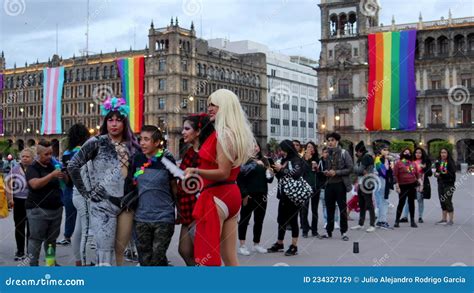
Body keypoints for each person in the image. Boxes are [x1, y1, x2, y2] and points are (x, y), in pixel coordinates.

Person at [184, 89, 255, 266]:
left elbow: (222, 172)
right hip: (231, 196)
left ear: (225, 107)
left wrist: (195, 171)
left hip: (216, 196)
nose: (209, 108)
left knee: (206, 256)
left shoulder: (223, 134)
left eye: (214, 104)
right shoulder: (236, 134)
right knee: (230, 257)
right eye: (209, 104)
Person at [68, 97, 141, 266]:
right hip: (102, 205)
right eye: (110, 120)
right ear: (105, 122)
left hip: (127, 205)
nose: (114, 124)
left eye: (118, 120)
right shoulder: (96, 143)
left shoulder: (133, 145)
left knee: (120, 251)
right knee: (104, 253)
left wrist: (136, 192)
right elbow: (73, 165)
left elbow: (140, 171)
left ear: (124, 122)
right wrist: (87, 192)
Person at [132, 125, 177, 266]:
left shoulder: (167, 160)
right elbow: (132, 184)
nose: (142, 143)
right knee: (144, 261)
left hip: (164, 218)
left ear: (157, 142)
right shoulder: (137, 160)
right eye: (141, 139)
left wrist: (179, 211)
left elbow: (175, 188)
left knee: (157, 259)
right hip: (141, 218)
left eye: (146, 139)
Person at [176, 114, 214, 266]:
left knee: (202, 254)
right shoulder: (189, 153)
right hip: (186, 209)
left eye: (187, 129)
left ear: (198, 132)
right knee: (184, 250)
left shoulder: (207, 153)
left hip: (201, 211)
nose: (183, 132)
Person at [26, 140, 68, 266]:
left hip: (56, 208)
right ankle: (33, 265)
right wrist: (52, 175)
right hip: (37, 209)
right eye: (46, 154)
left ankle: (50, 263)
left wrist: (64, 176)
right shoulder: (33, 168)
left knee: (51, 240)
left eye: (51, 153)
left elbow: (65, 183)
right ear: (38, 154)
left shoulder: (53, 166)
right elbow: (34, 184)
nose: (50, 156)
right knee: (36, 240)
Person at [61, 124, 92, 266]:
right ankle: (83, 263)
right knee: (85, 229)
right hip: (84, 192)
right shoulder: (84, 151)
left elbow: (65, 174)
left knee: (77, 228)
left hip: (71, 191)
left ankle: (79, 260)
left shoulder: (67, 153)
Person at [267, 140, 305, 255]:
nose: (281, 152)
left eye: (283, 149)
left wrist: (282, 169)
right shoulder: (284, 160)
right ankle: (280, 243)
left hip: (293, 195)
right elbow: (281, 176)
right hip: (283, 194)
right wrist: (273, 169)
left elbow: (296, 173)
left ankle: (294, 246)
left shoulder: (297, 159)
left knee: (293, 220)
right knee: (281, 220)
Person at [237, 142, 274, 255]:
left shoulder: (265, 161)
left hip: (262, 195)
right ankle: (242, 245)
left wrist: (270, 174)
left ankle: (256, 244)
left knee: (259, 220)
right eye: (251, 145)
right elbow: (240, 180)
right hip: (249, 195)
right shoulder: (244, 161)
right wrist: (244, 194)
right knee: (244, 220)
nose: (254, 147)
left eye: (256, 145)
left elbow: (269, 180)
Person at [320, 132, 353, 241]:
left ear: (337, 141)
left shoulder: (344, 153)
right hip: (329, 184)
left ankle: (344, 232)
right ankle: (329, 232)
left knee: (342, 209)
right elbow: (323, 169)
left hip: (340, 184)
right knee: (329, 209)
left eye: (332, 140)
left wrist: (336, 172)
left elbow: (350, 168)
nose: (330, 142)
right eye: (328, 140)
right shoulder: (326, 154)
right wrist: (325, 171)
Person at [5, 148, 35, 261]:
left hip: (33, 202)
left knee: (32, 228)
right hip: (18, 201)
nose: (25, 158)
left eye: (27, 156)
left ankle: (30, 251)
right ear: (20, 158)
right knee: (19, 227)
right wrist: (10, 199)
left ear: (32, 158)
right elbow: (8, 184)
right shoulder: (15, 169)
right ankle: (20, 251)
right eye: (23, 156)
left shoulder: (35, 169)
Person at [400, 147, 432, 223]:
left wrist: (424, 168)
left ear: (422, 154)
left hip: (421, 183)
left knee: (420, 199)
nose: (418, 154)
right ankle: (405, 217)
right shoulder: (411, 161)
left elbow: (430, 174)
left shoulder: (425, 162)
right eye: (416, 152)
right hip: (411, 182)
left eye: (420, 153)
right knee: (408, 199)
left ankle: (420, 217)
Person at [393, 148, 422, 228]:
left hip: (412, 185)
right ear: (402, 153)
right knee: (401, 203)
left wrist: (421, 184)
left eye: (408, 153)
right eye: (405, 152)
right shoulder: (398, 163)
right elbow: (395, 175)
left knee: (411, 203)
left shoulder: (412, 163)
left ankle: (412, 221)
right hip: (402, 186)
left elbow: (417, 175)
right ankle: (396, 221)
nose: (407, 154)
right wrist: (397, 186)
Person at [351, 141, 376, 232]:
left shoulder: (365, 157)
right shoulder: (362, 158)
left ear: (359, 151)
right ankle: (360, 224)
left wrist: (352, 167)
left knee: (369, 204)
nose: (356, 154)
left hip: (367, 184)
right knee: (361, 204)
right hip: (362, 183)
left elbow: (359, 170)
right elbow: (361, 171)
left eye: (356, 152)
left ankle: (372, 225)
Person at [300, 141, 320, 238]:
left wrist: (317, 168)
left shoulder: (318, 159)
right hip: (305, 186)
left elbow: (320, 173)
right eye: (308, 147)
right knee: (304, 209)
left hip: (315, 187)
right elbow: (300, 171)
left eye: (311, 147)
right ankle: (305, 230)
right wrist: (306, 160)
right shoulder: (302, 159)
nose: (310, 148)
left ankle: (314, 230)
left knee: (314, 209)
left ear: (314, 149)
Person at [434, 148, 456, 225]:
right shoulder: (439, 162)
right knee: (442, 201)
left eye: (445, 152)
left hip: (449, 184)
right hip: (440, 184)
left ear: (447, 154)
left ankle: (451, 220)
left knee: (447, 201)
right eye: (441, 152)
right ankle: (444, 219)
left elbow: (452, 174)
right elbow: (437, 171)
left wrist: (441, 174)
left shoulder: (450, 162)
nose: (443, 154)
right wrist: (436, 174)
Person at [374, 144, 394, 230]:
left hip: (385, 182)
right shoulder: (378, 159)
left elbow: (390, 172)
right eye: (384, 149)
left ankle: (381, 221)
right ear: (380, 151)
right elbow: (383, 172)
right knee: (383, 202)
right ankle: (382, 221)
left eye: (387, 150)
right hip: (380, 182)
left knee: (383, 201)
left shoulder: (387, 160)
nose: (386, 151)